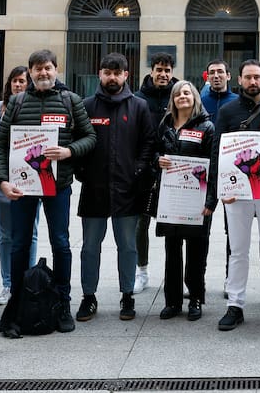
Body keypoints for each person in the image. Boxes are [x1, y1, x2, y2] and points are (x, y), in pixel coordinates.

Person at [0, 49, 94, 337]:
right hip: (22, 187)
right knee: (19, 245)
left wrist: (68, 151)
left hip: (57, 186)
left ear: (56, 69)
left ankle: (62, 302)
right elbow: (0, 145)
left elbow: (90, 137)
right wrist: (2, 181)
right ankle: (17, 301)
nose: (43, 73)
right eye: (37, 69)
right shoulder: (17, 102)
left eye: (47, 68)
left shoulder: (70, 101)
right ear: (30, 73)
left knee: (61, 243)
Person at [75, 52, 157, 323]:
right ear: (100, 74)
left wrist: (138, 169)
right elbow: (77, 140)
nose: (112, 77)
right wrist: (82, 171)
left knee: (128, 246)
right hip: (94, 190)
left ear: (126, 75)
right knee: (89, 247)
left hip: (127, 189)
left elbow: (148, 142)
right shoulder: (86, 106)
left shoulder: (139, 106)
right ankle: (89, 297)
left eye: (117, 72)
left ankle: (127, 296)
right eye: (107, 72)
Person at [210, 59, 260, 332]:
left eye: (257, 77)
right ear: (240, 80)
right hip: (238, 193)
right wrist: (221, 189)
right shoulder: (228, 111)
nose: (253, 82)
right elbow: (217, 151)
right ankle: (235, 304)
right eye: (248, 77)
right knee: (238, 250)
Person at [155, 80, 214, 319]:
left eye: (187, 93)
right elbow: (154, 152)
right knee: (172, 250)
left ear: (195, 97)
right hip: (171, 198)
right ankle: (173, 301)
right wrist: (158, 160)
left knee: (197, 251)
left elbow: (214, 164)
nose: (182, 96)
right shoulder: (165, 124)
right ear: (173, 99)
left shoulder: (207, 127)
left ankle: (196, 299)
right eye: (178, 94)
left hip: (197, 198)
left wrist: (211, 201)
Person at [0, 67, 38, 305]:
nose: (18, 85)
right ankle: (8, 283)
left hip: (29, 177)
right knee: (6, 234)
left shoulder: (33, 107)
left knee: (31, 232)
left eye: (23, 81)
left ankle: (28, 281)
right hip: (3, 177)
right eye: (15, 81)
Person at [135, 52, 179, 296]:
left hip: (174, 171)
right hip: (146, 171)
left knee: (175, 227)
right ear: (151, 71)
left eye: (168, 70)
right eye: (159, 69)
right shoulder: (138, 98)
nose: (163, 74)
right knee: (141, 223)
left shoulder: (181, 95)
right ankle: (141, 271)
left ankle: (175, 275)